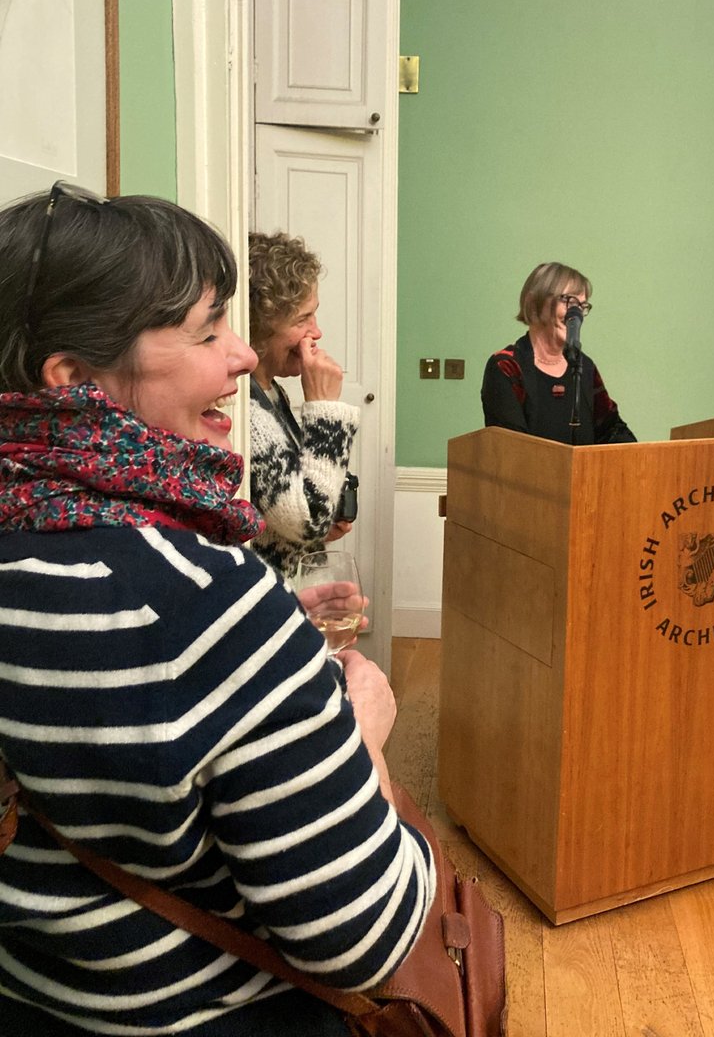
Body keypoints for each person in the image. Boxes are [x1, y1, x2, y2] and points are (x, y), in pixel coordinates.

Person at [0, 184, 434, 1036]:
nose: (239, 356)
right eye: (205, 332)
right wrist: (361, 735)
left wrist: (261, 661)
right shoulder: (204, 601)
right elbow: (367, 939)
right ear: (76, 381)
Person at [248, 231, 359, 581]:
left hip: (291, 591)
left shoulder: (271, 392)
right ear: (259, 327)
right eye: (302, 319)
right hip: (265, 599)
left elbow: (293, 507)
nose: (317, 332)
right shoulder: (245, 409)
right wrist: (324, 406)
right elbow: (310, 519)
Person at [481, 260, 636, 445]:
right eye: (568, 301)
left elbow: (611, 429)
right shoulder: (507, 366)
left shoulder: (584, 367)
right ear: (533, 302)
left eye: (581, 306)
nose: (575, 314)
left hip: (585, 474)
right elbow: (512, 448)